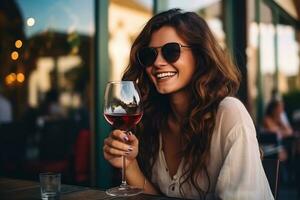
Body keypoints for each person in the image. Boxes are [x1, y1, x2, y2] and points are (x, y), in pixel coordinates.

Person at [103, 9, 273, 200]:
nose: (158, 62)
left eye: (171, 51)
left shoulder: (229, 114)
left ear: (199, 55)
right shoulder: (154, 120)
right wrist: (130, 163)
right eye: (150, 55)